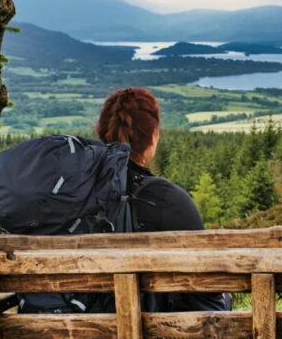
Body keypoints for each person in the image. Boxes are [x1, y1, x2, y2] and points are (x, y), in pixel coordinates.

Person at [96, 87, 230, 312]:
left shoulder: (73, 192)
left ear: (102, 133)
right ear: (153, 136)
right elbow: (208, 292)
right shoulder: (168, 200)